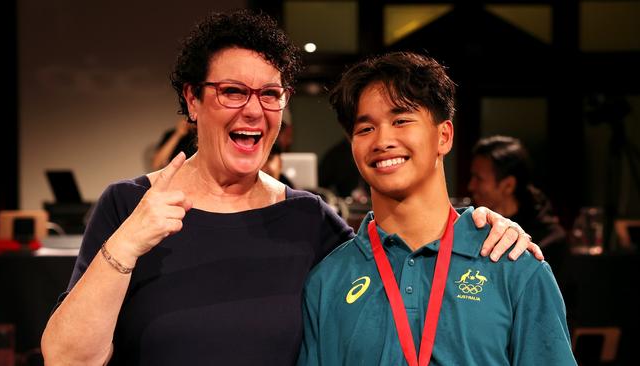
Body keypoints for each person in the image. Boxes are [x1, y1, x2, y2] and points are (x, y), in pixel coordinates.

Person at [41, 11, 541, 366]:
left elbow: (398, 255)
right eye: (233, 91)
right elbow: (66, 359)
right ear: (193, 100)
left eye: (270, 94)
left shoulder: (308, 219)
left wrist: (486, 224)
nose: (253, 110)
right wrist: (128, 241)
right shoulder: (129, 205)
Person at [298, 52, 575, 365]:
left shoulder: (513, 267)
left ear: (444, 136)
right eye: (365, 129)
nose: (382, 140)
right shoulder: (326, 282)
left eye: (401, 120)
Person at [469, 135, 568, 272]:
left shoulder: (550, 240)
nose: (471, 186)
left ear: (508, 185)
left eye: (479, 178)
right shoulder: (474, 225)